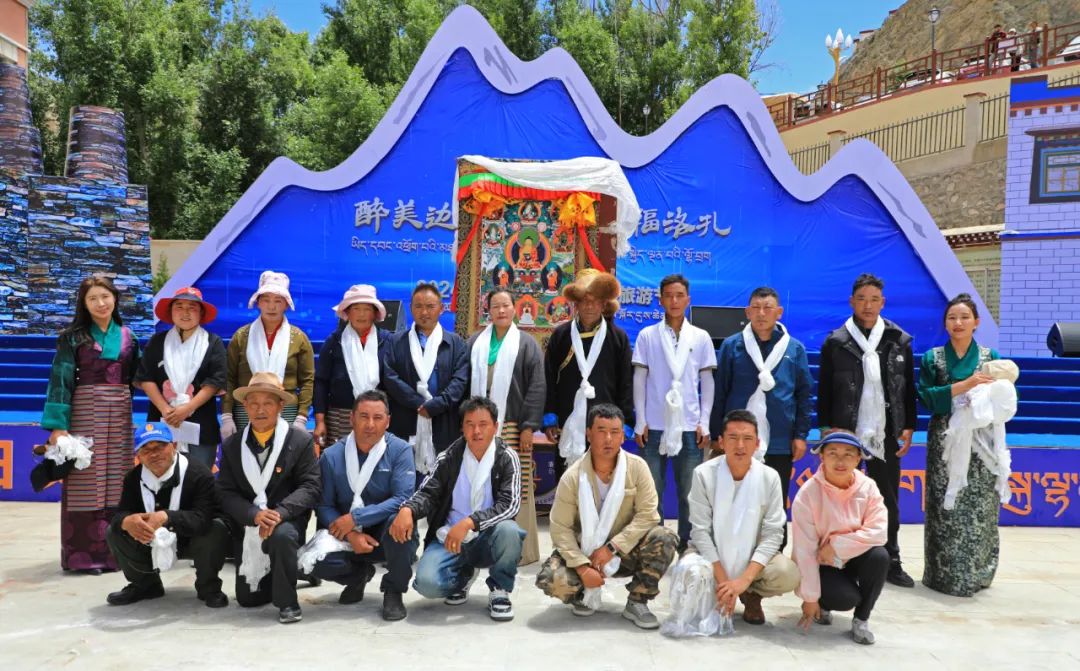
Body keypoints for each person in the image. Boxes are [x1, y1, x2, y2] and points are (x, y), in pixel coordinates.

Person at [536, 404, 678, 630]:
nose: (608, 439)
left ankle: (638, 600)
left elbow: (648, 515)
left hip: (626, 551)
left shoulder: (637, 468)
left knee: (665, 537)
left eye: (615, 432)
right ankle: (582, 595)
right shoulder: (573, 477)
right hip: (585, 552)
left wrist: (612, 547)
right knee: (550, 578)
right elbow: (560, 529)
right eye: (601, 431)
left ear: (623, 436)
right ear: (588, 434)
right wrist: (582, 568)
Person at [817, 274, 916, 588]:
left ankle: (890, 559)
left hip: (884, 431)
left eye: (874, 300)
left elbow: (907, 388)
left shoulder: (898, 340)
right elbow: (824, 390)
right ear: (851, 302)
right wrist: (825, 428)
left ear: (883, 303)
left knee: (886, 498)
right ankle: (840, 558)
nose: (868, 305)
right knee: (841, 497)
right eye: (861, 299)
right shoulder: (836, 342)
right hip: (845, 429)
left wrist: (908, 426)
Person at [389, 396, 524, 621]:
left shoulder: (507, 457)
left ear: (495, 427)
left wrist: (471, 522)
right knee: (427, 584)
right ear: (462, 427)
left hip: (487, 537)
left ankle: (500, 589)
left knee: (510, 531)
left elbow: (510, 504)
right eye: (470, 424)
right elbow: (427, 492)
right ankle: (463, 577)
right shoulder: (449, 457)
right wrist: (408, 510)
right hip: (450, 537)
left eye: (483, 424)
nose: (476, 431)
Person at [665, 410, 798, 634]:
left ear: (757, 444)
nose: (740, 445)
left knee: (787, 573)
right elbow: (700, 532)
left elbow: (773, 534)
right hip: (710, 555)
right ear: (721, 442)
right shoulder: (703, 474)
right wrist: (724, 580)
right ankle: (721, 590)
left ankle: (751, 594)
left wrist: (743, 581)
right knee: (689, 572)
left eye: (747, 439)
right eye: (733, 438)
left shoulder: (770, 477)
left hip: (751, 556)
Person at [41, 275, 141, 573]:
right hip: (84, 411)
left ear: (115, 299)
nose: (101, 303)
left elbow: (135, 378)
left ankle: (116, 553)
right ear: (84, 304)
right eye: (93, 298)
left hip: (120, 411)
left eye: (105, 296)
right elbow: (60, 380)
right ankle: (83, 557)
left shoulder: (129, 337)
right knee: (85, 479)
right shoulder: (72, 338)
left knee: (118, 478)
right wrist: (58, 427)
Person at [709, 286, 812, 546]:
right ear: (747, 312)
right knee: (734, 497)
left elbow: (803, 394)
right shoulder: (732, 346)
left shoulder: (794, 349)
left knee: (774, 497)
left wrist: (800, 435)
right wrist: (716, 434)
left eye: (768, 308)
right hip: (737, 441)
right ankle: (734, 550)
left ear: (779, 312)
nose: (762, 313)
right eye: (756, 307)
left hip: (779, 438)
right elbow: (720, 392)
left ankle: (773, 552)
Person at [217, 372, 321, 624]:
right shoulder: (232, 445)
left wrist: (279, 513)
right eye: (253, 403)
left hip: (287, 519)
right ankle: (293, 569)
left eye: (267, 403)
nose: (260, 410)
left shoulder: (300, 440)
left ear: (280, 405)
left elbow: (311, 486)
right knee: (248, 599)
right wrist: (254, 514)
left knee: (282, 536)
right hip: (250, 522)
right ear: (245, 406)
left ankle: (288, 602)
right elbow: (225, 492)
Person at [917, 293, 1003, 597]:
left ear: (976, 322)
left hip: (981, 440)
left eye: (965, 317)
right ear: (945, 324)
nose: (958, 323)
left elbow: (1006, 395)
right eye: (952, 317)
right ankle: (942, 574)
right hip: (945, 438)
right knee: (944, 502)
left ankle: (978, 572)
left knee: (980, 504)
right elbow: (926, 397)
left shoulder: (990, 358)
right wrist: (964, 386)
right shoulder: (933, 358)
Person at [306, 390, 418, 621]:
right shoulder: (332, 456)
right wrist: (351, 534)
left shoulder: (400, 450)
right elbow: (324, 506)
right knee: (313, 561)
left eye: (378, 418)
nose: (370, 425)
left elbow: (402, 498)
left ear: (388, 421)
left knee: (402, 524)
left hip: (384, 531)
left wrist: (357, 518)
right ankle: (357, 576)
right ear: (351, 418)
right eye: (364, 416)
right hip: (346, 532)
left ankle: (394, 591)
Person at [632, 273, 716, 550]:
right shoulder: (647, 335)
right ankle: (656, 547)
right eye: (668, 296)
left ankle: (686, 546)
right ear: (660, 300)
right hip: (654, 424)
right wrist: (640, 420)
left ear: (688, 299)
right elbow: (640, 379)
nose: (674, 301)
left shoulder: (700, 337)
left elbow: (707, 381)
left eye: (679, 296)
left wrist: (704, 422)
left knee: (689, 492)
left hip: (689, 426)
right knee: (651, 492)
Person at [105, 423, 229, 608]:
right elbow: (120, 514)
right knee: (114, 531)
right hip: (150, 537)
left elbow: (203, 518)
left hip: (191, 538)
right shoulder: (133, 477)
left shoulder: (199, 473)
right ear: (138, 455)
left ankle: (209, 588)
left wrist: (166, 517)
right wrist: (126, 521)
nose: (154, 454)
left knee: (215, 529)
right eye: (146, 450)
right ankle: (145, 586)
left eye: (160, 447)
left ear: (174, 445)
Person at [467, 289, 546, 565]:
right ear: (487, 310)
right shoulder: (475, 342)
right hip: (479, 426)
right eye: (495, 306)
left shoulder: (527, 344)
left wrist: (528, 427)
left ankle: (521, 551)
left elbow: (537, 387)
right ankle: (482, 548)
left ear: (515, 309)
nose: (501, 311)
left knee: (516, 485)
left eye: (506, 305)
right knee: (480, 480)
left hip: (512, 423)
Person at [792, 431, 889, 646]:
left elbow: (879, 531)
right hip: (823, 563)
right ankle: (824, 603)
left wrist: (837, 545)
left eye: (848, 454)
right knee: (845, 599)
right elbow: (804, 550)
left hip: (853, 557)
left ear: (858, 458)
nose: (840, 461)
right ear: (822, 457)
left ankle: (861, 620)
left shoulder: (868, 487)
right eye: (833, 453)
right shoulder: (807, 494)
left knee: (880, 556)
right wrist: (810, 598)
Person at [544, 269, 633, 479]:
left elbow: (626, 383)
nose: (589, 306)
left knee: (604, 480)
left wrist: (625, 420)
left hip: (606, 423)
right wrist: (550, 417)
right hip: (567, 420)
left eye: (595, 301)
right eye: (584, 301)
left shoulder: (618, 338)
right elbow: (549, 378)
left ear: (604, 304)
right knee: (568, 480)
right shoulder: (561, 335)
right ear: (575, 304)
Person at [381, 282, 469, 478]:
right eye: (418, 306)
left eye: (430, 306)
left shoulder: (456, 343)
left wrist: (436, 405)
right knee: (405, 478)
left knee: (443, 480)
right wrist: (419, 404)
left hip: (444, 421)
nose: (424, 312)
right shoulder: (396, 342)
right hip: (406, 420)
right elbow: (390, 377)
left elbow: (460, 382)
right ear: (411, 308)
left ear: (441, 308)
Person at [135, 287, 227, 469]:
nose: (185, 313)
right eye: (179, 307)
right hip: (162, 421)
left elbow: (215, 381)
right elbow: (146, 378)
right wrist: (165, 409)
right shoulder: (157, 341)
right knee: (161, 474)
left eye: (192, 307)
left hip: (201, 423)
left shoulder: (213, 342)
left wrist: (187, 409)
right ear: (171, 311)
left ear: (201, 313)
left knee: (199, 476)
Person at [222, 270, 315, 438]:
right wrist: (227, 416)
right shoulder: (241, 336)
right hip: (247, 409)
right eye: (266, 300)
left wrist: (301, 417)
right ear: (258, 302)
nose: (272, 307)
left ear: (286, 304)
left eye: (278, 301)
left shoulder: (299, 338)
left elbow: (307, 381)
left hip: (287, 409)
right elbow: (229, 378)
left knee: (285, 454)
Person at [313, 284, 391, 451]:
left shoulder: (387, 341)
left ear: (375, 313)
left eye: (367, 309)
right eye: (356, 309)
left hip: (376, 417)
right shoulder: (334, 342)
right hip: (340, 417)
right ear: (347, 313)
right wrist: (319, 421)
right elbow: (321, 383)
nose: (361, 314)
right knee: (339, 461)